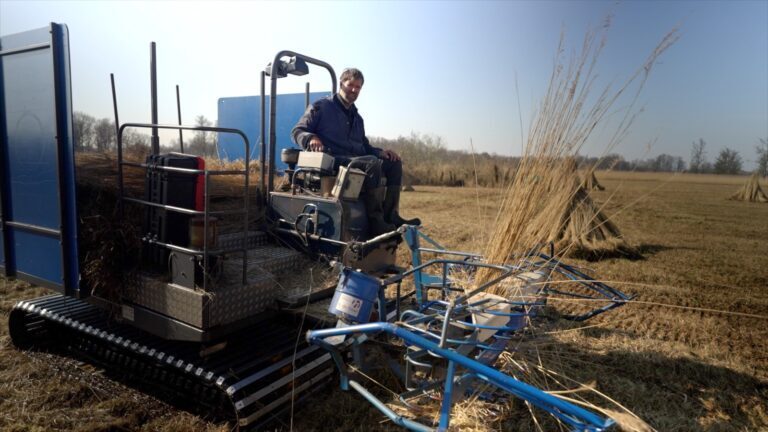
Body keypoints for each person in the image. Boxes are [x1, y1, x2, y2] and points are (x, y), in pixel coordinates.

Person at [291, 67, 420, 235]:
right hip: (334, 161)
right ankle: (376, 222)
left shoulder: (357, 118)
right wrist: (311, 138)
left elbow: (365, 147)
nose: (353, 90)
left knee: (393, 163)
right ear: (341, 84)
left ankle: (391, 216)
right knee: (370, 163)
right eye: (350, 84)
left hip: (359, 161)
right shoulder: (321, 107)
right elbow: (297, 131)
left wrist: (381, 152)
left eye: (358, 87)